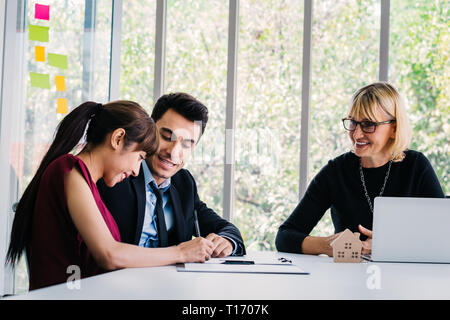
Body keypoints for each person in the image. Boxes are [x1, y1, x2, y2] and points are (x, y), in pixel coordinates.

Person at [6, 100, 215, 290]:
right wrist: (180, 252)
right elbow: (109, 255)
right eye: (139, 157)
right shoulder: (70, 172)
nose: (136, 171)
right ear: (117, 138)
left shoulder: (87, 182)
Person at [276, 82, 445, 256]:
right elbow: (285, 237)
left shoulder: (416, 166)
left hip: (406, 279)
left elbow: (443, 236)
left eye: (368, 124)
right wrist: (327, 245)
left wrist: (386, 246)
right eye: (353, 123)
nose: (356, 134)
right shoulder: (336, 171)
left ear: (394, 128)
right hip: (348, 277)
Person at [97, 93, 246, 257]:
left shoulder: (184, 183)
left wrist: (227, 241)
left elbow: (226, 229)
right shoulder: (118, 173)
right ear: (150, 130)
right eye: (167, 137)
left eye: (186, 144)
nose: (173, 153)